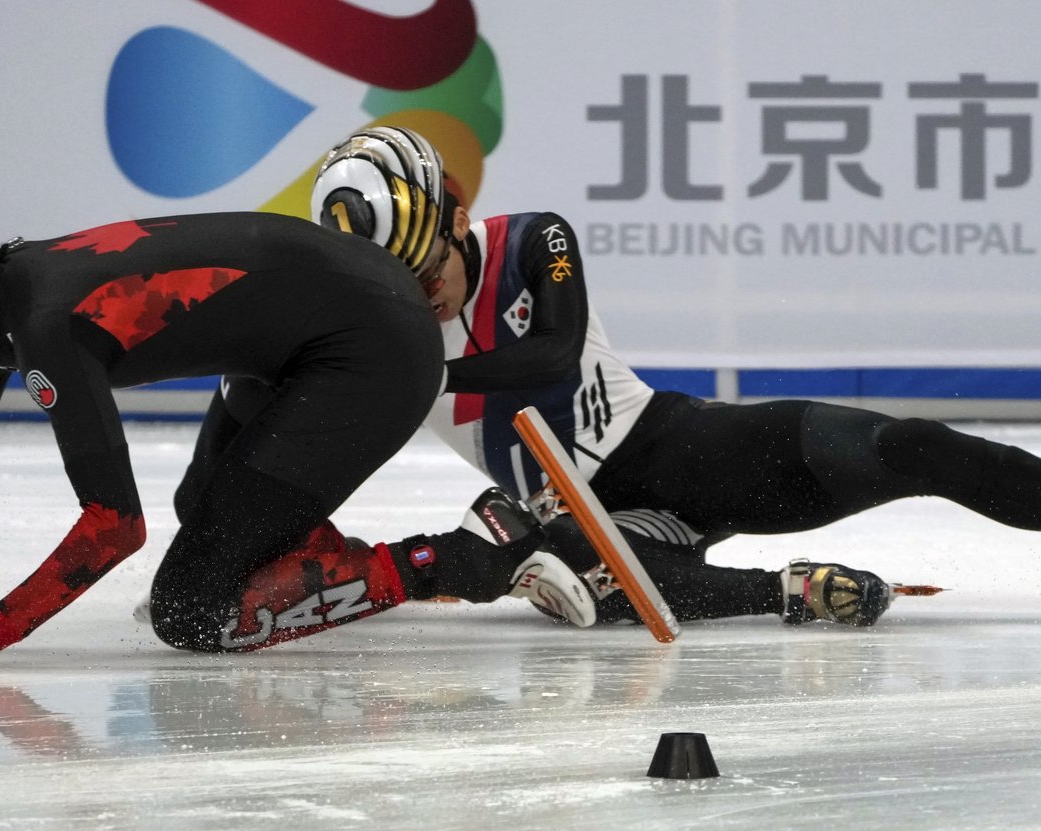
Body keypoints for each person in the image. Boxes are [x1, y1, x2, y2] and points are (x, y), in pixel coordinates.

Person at [0, 162, 597, 671]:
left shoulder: (39, 323)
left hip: (374, 350)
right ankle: (309, 549)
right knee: (216, 532)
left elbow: (113, 526)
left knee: (194, 609)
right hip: (300, 339)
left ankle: (467, 554)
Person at [311, 125, 1041, 628]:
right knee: (569, 557)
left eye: (432, 268)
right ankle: (790, 591)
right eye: (404, 284)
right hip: (577, 515)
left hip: (675, 443)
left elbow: (556, 354)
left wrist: (422, 369)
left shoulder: (538, 238)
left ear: (458, 221)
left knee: (911, 447)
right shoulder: (376, 335)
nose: (425, 293)